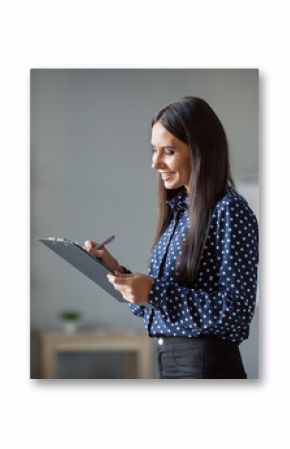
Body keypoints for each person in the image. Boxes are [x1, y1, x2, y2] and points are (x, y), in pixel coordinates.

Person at [84, 96, 259, 379]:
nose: (155, 163)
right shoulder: (179, 212)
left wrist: (153, 291)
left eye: (168, 151)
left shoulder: (229, 210)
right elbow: (158, 308)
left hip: (205, 368)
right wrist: (117, 272)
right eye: (154, 150)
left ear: (200, 151)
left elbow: (236, 314)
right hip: (171, 363)